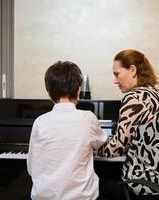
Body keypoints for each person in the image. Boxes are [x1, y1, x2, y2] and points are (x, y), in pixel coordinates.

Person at [98, 49, 159, 199]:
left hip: (146, 187)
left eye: (117, 74)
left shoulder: (134, 98)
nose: (115, 80)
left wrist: (95, 148)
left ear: (132, 70)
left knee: (99, 185)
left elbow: (117, 148)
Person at [27, 61, 107, 200]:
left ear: (49, 93)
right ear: (79, 91)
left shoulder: (39, 122)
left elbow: (31, 168)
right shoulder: (88, 118)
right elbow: (102, 141)